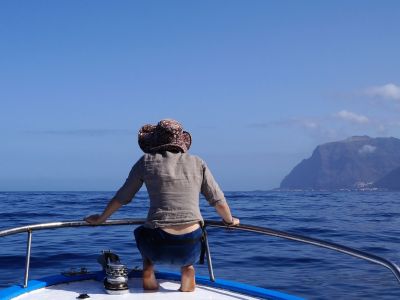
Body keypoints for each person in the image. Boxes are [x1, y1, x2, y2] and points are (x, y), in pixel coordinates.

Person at [84, 119, 239, 292]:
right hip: (190, 241)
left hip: (157, 242)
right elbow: (217, 200)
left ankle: (148, 268)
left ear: (155, 141)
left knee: (142, 235)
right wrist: (229, 220)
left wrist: (101, 219)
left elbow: (123, 197)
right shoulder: (198, 162)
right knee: (189, 257)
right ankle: (187, 270)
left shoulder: (146, 162)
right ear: (181, 141)